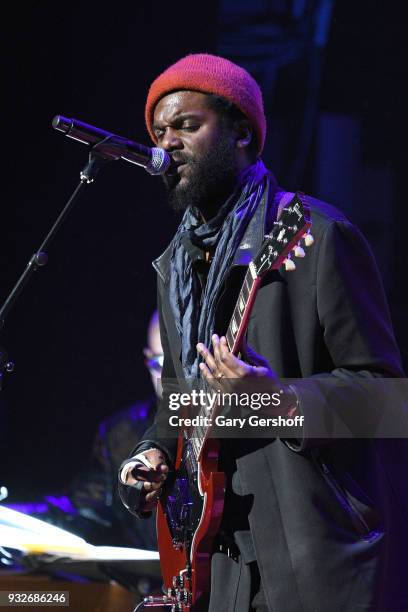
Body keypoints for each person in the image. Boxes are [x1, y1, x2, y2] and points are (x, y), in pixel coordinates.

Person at [119, 54, 407, 611]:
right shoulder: (176, 265)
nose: (167, 143)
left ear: (243, 133)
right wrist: (151, 455)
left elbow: (384, 401)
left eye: (186, 125)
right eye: (159, 131)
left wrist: (275, 401)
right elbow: (180, 405)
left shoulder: (319, 237)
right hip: (219, 563)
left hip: (315, 556)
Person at [6, 311, 161, 551]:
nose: (171, 377)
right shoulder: (122, 432)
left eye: (181, 362)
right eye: (160, 363)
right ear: (146, 359)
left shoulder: (230, 418)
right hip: (152, 584)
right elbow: (79, 510)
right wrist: (9, 515)